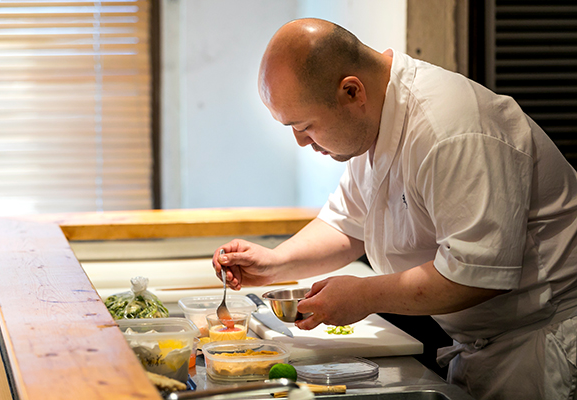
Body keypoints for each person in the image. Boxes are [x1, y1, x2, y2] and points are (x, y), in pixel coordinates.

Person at [212, 18, 577, 400]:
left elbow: (475, 274)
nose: (302, 142)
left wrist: (364, 295)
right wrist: (275, 263)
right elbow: (347, 225)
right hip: (484, 346)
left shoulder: (449, 130)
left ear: (351, 91)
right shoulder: (369, 124)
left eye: (305, 126)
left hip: (544, 345)